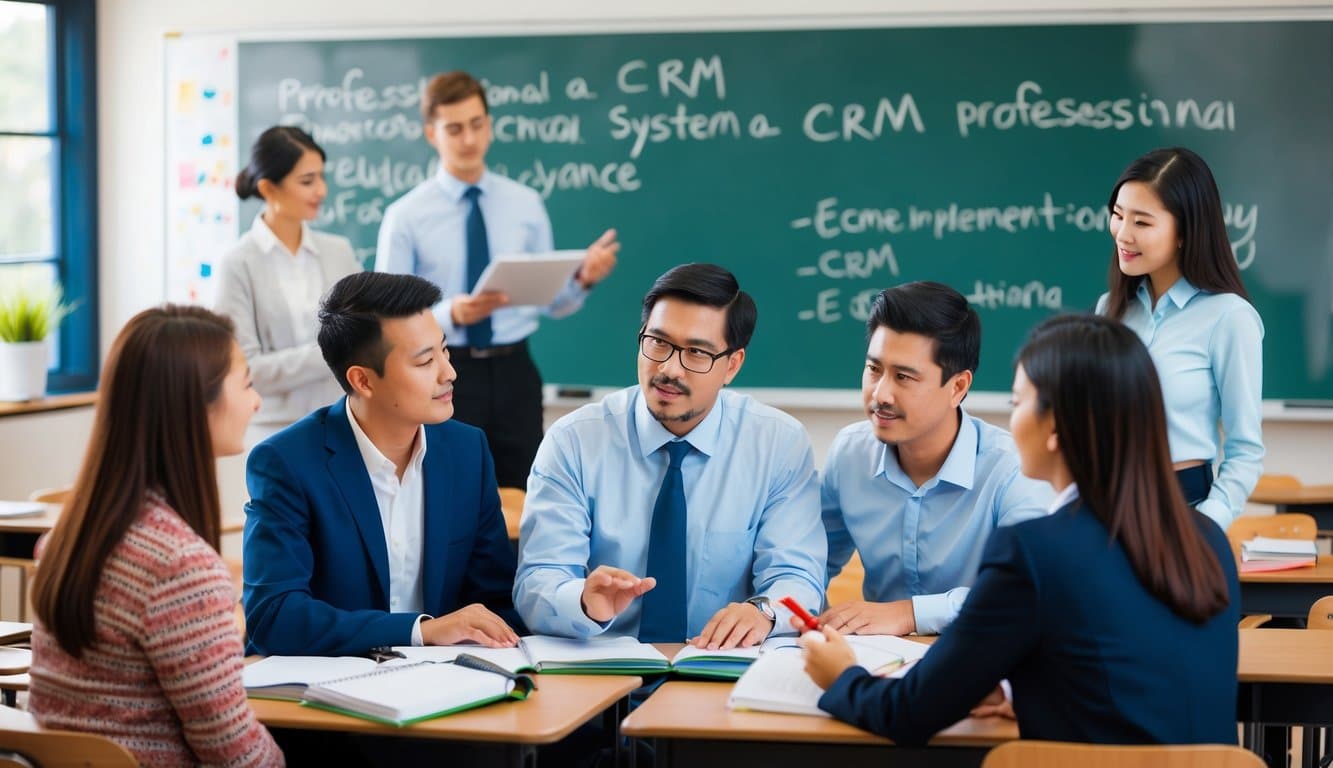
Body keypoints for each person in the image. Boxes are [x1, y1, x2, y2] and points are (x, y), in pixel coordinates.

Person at [799, 314, 1240, 746]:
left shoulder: (1035, 550)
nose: (1010, 423)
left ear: (1054, 428)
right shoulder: (1206, 538)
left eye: (1017, 403)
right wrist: (1018, 689)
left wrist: (840, 674)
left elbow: (907, 713)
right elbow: (1133, 672)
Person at [514, 263, 825, 648]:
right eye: (658, 343)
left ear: (732, 365)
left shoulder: (778, 444)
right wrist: (582, 602)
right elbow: (537, 582)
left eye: (696, 352)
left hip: (720, 670)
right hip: (603, 674)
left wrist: (763, 610)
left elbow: (799, 576)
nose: (668, 368)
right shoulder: (575, 440)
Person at [28, 306, 283, 766]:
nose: (257, 402)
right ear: (193, 405)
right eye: (246, 383)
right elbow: (238, 757)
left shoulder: (66, 539)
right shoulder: (178, 567)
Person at [242, 271, 521, 657]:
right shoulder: (287, 463)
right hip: (331, 694)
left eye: (445, 351)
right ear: (363, 381)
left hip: (448, 688)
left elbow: (495, 596)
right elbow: (273, 616)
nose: (449, 373)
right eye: (425, 362)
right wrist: (420, 631)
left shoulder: (466, 450)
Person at [376, 70, 619, 488]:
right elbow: (386, 317)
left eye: (476, 125)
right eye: (454, 128)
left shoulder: (525, 203)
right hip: (442, 371)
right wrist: (452, 314)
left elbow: (552, 303)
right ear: (432, 133)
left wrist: (582, 279)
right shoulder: (406, 216)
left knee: (527, 493)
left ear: (489, 126)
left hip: (515, 372)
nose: (468, 139)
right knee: (446, 491)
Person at [820, 282, 1051, 637]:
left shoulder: (1012, 471)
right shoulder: (850, 453)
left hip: (985, 666)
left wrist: (908, 615)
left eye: (904, 377)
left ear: (957, 387)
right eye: (873, 370)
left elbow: (1026, 591)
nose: (881, 394)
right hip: (875, 662)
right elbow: (809, 561)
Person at [1097, 146, 1264, 529]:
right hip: (1107, 506)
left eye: (1142, 222)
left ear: (1185, 233)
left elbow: (1246, 451)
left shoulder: (1229, 317)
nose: (1123, 234)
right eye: (1118, 216)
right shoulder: (1111, 308)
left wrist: (1207, 527)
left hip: (1182, 508)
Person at [215, 125, 362, 444]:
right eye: (307, 181)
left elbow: (364, 334)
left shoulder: (340, 251)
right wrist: (330, 352)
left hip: (344, 422)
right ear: (268, 189)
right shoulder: (238, 264)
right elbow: (246, 369)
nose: (321, 190)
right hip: (272, 432)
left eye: (322, 177)